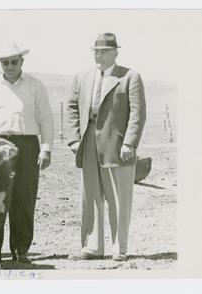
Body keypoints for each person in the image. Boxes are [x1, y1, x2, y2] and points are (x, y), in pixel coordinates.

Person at [0, 43, 54, 263]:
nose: (10, 66)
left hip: (27, 146)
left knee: (24, 198)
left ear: (22, 61)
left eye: (14, 61)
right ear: (0, 64)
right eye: (5, 62)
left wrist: (46, 149)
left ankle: (21, 249)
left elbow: (46, 120)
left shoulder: (35, 86)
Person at [66, 33, 146, 261]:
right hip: (88, 141)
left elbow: (138, 113)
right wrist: (73, 138)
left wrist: (130, 143)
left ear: (115, 53)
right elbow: (72, 107)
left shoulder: (130, 76)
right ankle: (92, 246)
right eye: (96, 51)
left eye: (104, 51)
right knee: (90, 195)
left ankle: (118, 248)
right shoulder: (81, 77)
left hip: (118, 145)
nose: (99, 55)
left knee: (119, 197)